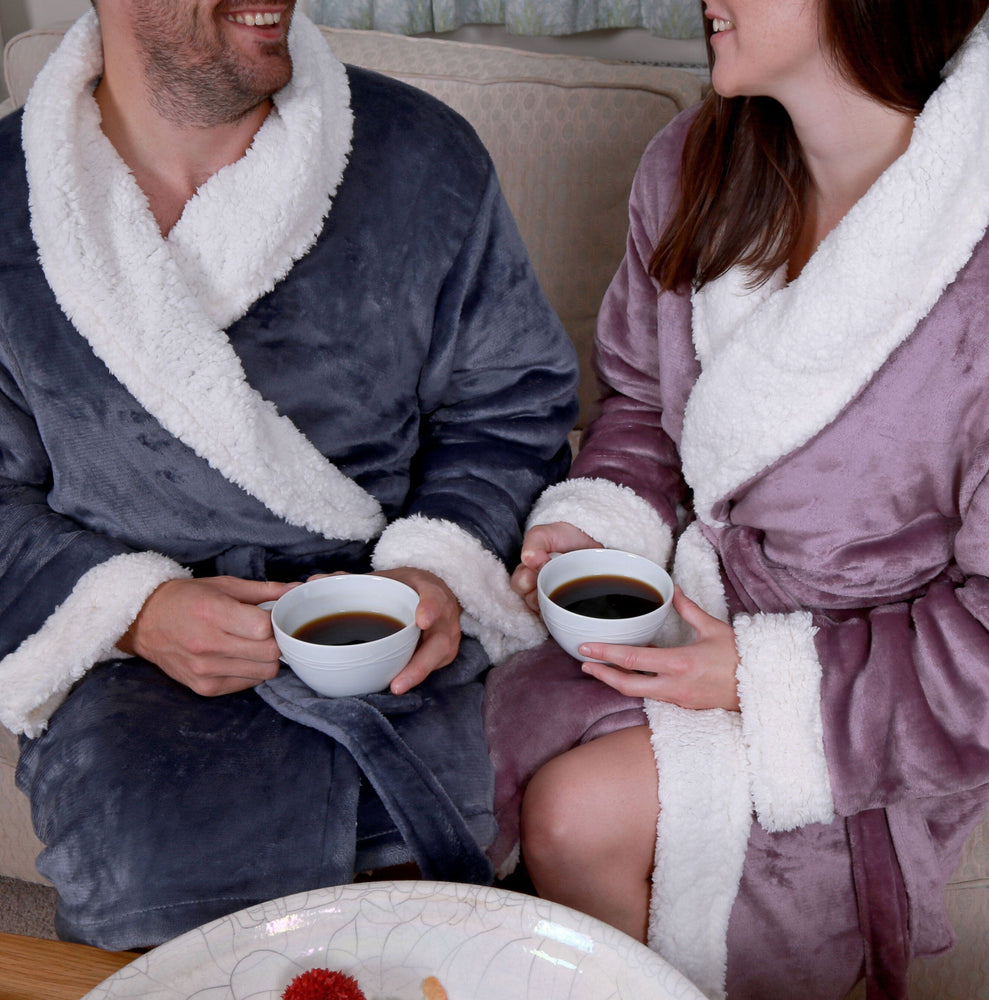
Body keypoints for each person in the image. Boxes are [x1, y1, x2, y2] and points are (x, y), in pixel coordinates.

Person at [0, 0, 578, 950]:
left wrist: (439, 568)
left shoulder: (421, 159)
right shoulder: (8, 205)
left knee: (440, 924)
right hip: (139, 678)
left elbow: (509, 409)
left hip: (389, 638)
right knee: (166, 911)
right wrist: (134, 612)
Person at [484, 1, 989, 998]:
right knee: (461, 761)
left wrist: (764, 683)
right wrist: (589, 526)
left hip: (868, 711)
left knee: (573, 815)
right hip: (690, 623)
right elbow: (642, 403)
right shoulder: (693, 165)